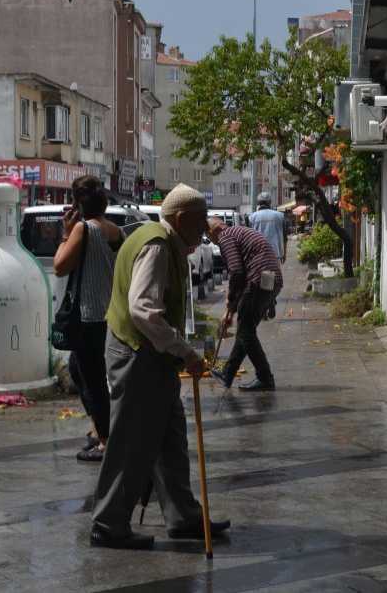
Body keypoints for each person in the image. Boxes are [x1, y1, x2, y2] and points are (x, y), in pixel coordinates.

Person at [91, 183, 230, 550]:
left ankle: (183, 516)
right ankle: (108, 523)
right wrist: (184, 351)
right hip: (137, 354)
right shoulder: (155, 245)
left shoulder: (162, 240)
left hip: (151, 354)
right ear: (181, 219)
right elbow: (143, 309)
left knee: (170, 439)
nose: (204, 233)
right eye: (200, 225)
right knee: (131, 442)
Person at [53, 176, 124, 462]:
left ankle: (107, 441)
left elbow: (59, 266)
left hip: (89, 315)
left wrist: (65, 234)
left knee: (93, 379)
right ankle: (99, 429)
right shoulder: (116, 231)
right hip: (110, 313)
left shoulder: (83, 229)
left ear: (78, 204)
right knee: (80, 370)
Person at [207, 217, 282, 391]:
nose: (212, 241)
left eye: (208, 236)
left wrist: (231, 302)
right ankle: (228, 373)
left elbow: (237, 271)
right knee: (245, 330)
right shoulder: (238, 232)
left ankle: (265, 377)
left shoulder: (225, 236)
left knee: (246, 332)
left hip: (258, 280)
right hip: (271, 280)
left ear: (214, 231)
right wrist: (232, 309)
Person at [249, 192, 287, 264]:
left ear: (258, 203)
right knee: (276, 274)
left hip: (258, 255)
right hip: (275, 254)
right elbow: (285, 237)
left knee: (259, 275)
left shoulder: (252, 217)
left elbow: (248, 239)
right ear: (270, 202)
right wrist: (284, 254)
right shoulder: (280, 216)